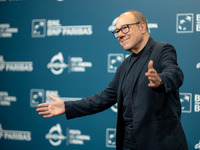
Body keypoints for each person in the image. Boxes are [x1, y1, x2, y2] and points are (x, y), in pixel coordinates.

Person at [36, 10, 188, 150]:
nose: (120, 35)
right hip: (128, 144)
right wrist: (67, 106)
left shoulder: (162, 50)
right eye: (117, 31)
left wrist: (160, 80)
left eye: (125, 28)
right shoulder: (124, 66)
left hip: (159, 144)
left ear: (142, 27)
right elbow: (103, 98)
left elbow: (174, 73)